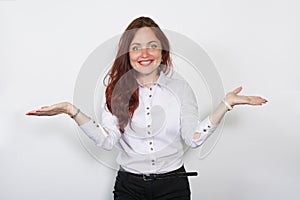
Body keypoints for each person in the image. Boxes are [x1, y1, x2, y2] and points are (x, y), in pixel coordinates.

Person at [26, 16, 267, 200]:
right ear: (127, 54)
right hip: (129, 187)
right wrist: (71, 110)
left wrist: (225, 105)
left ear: (162, 51)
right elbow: (107, 141)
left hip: (173, 186)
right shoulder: (116, 90)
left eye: (152, 45)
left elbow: (192, 139)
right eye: (135, 47)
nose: (144, 53)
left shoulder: (181, 89)